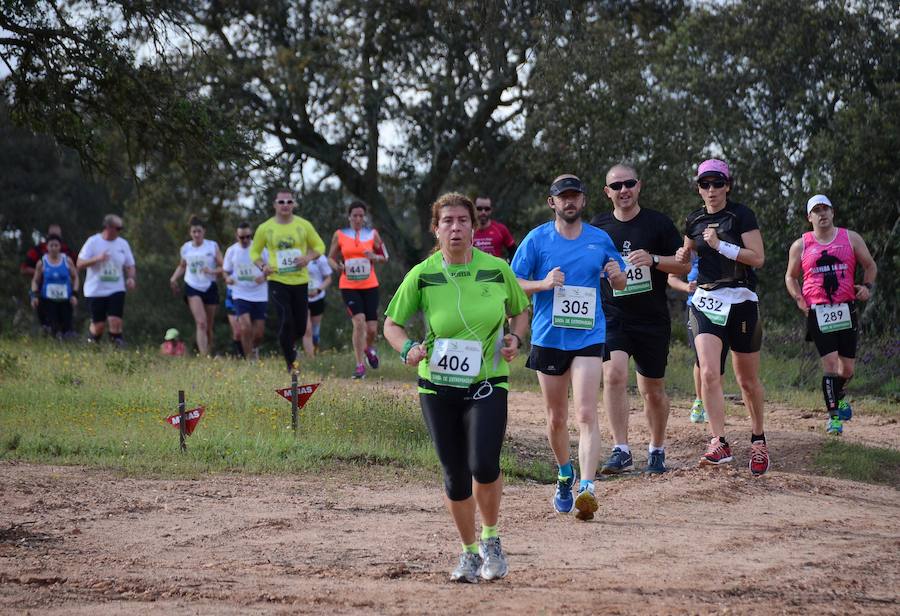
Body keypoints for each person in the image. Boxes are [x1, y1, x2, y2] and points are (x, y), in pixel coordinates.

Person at [383, 192, 530, 583]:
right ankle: (468, 553)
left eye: (462, 220)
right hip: (437, 386)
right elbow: (391, 325)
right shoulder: (423, 273)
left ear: (473, 226)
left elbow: (519, 311)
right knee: (454, 475)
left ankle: (492, 540)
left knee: (483, 464)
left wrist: (515, 338)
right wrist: (408, 349)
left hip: (487, 382)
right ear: (436, 229)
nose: (455, 227)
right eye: (447, 221)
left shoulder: (497, 269)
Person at [511, 175, 626, 520]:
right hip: (548, 337)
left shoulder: (599, 239)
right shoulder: (537, 240)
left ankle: (587, 488)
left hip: (589, 336)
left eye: (575, 196)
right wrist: (543, 284)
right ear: (553, 203)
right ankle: (565, 473)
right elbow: (513, 282)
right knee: (556, 418)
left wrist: (615, 275)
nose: (570, 202)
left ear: (584, 201)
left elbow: (619, 281)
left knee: (586, 413)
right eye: (564, 197)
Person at [590, 164, 690, 475]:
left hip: (651, 319)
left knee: (652, 390)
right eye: (616, 186)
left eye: (629, 184)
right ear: (607, 192)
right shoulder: (599, 227)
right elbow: (587, 262)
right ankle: (621, 449)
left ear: (639, 186)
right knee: (615, 375)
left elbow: (684, 267)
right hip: (613, 315)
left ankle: (657, 448)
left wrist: (655, 259)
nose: (624, 190)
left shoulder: (658, 223)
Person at [675, 159, 769, 476]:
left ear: (728, 185)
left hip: (741, 299)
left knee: (747, 380)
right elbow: (687, 254)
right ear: (698, 187)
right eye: (705, 184)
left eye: (717, 183)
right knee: (709, 374)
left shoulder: (741, 215)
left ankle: (758, 438)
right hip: (706, 301)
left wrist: (723, 246)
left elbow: (758, 258)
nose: (711, 190)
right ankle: (719, 441)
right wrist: (680, 256)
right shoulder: (694, 219)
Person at [784, 194, 877, 435]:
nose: (822, 214)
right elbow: (791, 276)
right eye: (817, 210)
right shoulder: (801, 245)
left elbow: (870, 265)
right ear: (809, 217)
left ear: (833, 212)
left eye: (826, 209)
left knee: (847, 370)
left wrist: (867, 287)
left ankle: (839, 393)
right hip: (818, 310)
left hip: (846, 307)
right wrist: (798, 298)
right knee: (830, 364)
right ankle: (833, 417)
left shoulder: (850, 238)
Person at [250, 188, 326, 372]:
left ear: (294, 204)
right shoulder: (265, 228)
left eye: (289, 202)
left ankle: (290, 349)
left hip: (300, 281)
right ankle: (290, 362)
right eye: (281, 202)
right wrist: (263, 266)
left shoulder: (303, 225)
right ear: (275, 205)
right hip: (278, 280)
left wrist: (307, 258)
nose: (285, 205)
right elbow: (254, 252)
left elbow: (320, 246)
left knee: (300, 327)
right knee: (286, 318)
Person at [328, 201, 388, 378]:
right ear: (349, 217)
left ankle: (368, 349)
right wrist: (337, 266)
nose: (358, 218)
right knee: (359, 321)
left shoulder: (372, 234)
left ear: (365, 217)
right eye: (355, 215)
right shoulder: (339, 235)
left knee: (371, 329)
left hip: (370, 285)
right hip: (349, 285)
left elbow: (385, 256)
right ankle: (360, 365)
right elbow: (330, 257)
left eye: (361, 215)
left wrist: (374, 257)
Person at [77, 214, 136, 347]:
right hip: (95, 290)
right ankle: (92, 344)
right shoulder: (93, 242)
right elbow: (79, 264)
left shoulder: (123, 244)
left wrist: (131, 278)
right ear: (108, 227)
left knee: (115, 320)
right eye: (118, 228)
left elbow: (130, 265)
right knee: (99, 325)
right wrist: (97, 258)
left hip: (116, 288)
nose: (120, 231)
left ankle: (117, 349)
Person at [169, 216, 223, 356]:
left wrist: (211, 271)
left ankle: (209, 351)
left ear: (204, 231)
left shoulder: (212, 246)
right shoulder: (186, 248)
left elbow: (224, 267)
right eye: (194, 231)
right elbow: (182, 266)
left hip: (210, 286)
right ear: (190, 232)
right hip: (192, 286)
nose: (196, 234)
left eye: (199, 231)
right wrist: (173, 278)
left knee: (209, 327)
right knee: (201, 323)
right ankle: (204, 357)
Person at [668, 254, 708, 423]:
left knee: (713, 360)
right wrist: (686, 287)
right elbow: (672, 278)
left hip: (720, 308)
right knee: (700, 358)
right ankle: (700, 401)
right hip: (695, 308)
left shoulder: (720, 246)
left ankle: (710, 403)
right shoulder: (688, 252)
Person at [223, 222, 268, 360]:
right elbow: (225, 271)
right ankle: (249, 360)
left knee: (259, 332)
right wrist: (227, 279)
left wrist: (264, 276)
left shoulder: (260, 249)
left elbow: (270, 268)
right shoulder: (232, 251)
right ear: (237, 236)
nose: (245, 240)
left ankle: (254, 349)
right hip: (240, 293)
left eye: (248, 236)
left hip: (259, 293)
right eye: (242, 237)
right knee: (245, 327)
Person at [30, 233, 79, 338]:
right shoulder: (42, 262)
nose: (53, 248)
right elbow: (35, 281)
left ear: (60, 247)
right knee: (53, 327)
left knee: (67, 329)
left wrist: (75, 294)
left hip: (65, 300)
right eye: (51, 245)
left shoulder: (67, 261)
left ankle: (67, 344)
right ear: (47, 247)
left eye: (56, 245)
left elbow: (75, 278)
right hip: (48, 300)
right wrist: (34, 295)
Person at [302, 254, 333, 357]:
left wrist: (318, 290)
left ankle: (315, 347)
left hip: (317, 298)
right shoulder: (296, 255)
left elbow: (328, 278)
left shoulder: (320, 258)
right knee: (307, 329)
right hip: (301, 298)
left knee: (315, 331)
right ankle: (311, 358)